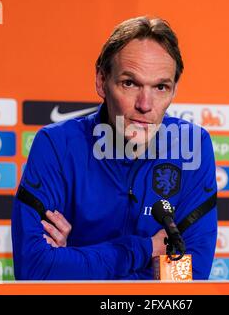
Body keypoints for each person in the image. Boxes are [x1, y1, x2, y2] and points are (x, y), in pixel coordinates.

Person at [11, 16, 217, 280]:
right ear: (101, 81)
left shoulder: (192, 147)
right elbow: (35, 269)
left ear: (174, 90)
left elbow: (187, 280)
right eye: (129, 83)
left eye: (160, 87)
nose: (145, 104)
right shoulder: (56, 146)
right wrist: (145, 249)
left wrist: (72, 261)